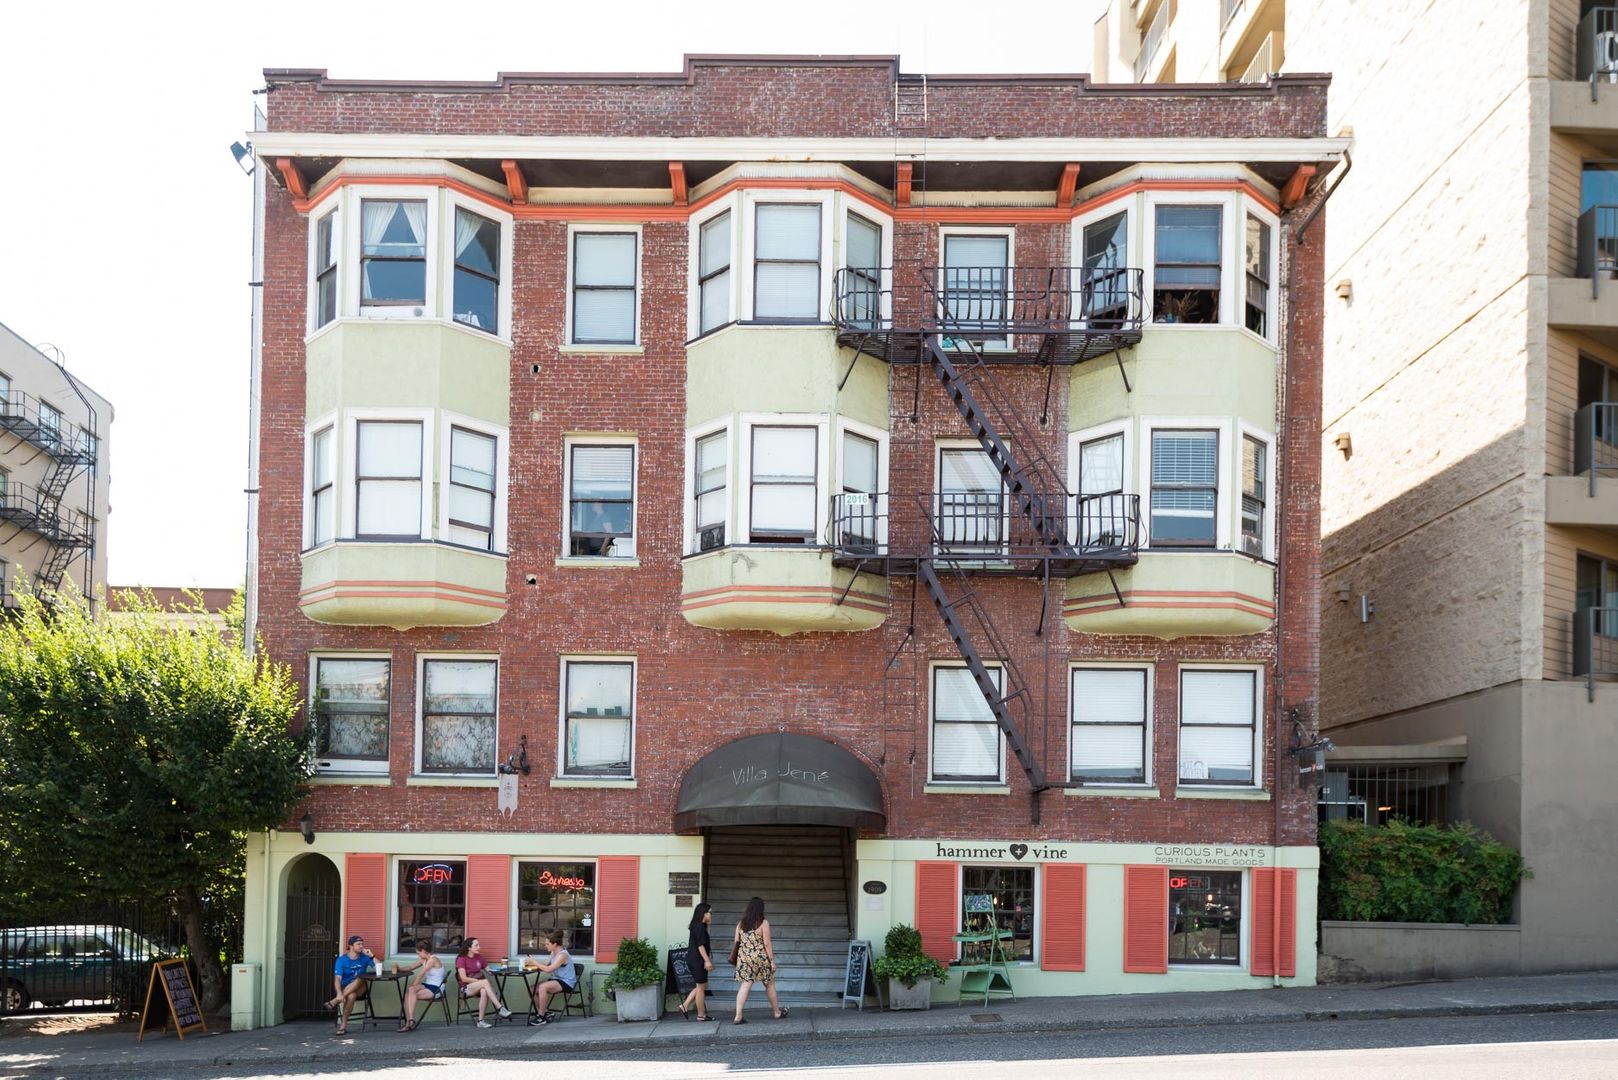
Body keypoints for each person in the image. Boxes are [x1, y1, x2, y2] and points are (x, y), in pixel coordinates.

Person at [731, 896, 788, 1024]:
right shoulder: (763, 923)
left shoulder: (741, 924)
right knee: (769, 984)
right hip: (760, 958)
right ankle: (777, 1012)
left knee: (745, 985)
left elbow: (736, 941)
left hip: (744, 959)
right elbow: (767, 943)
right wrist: (772, 961)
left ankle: (738, 1016)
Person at [454, 937, 513, 1027]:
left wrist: (502, 969)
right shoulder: (461, 959)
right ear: (469, 948)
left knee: (484, 990)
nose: (479, 947)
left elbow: (490, 972)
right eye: (476, 945)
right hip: (466, 988)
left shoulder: (479, 958)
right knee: (484, 982)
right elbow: (463, 978)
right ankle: (500, 1008)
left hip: (480, 986)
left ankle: (480, 1021)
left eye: (479, 945)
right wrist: (479, 981)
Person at [525, 929, 578, 1026]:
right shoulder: (553, 953)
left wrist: (534, 962)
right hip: (556, 979)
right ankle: (546, 1013)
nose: (545, 946)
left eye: (547, 944)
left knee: (543, 987)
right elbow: (546, 964)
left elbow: (548, 969)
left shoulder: (562, 955)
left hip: (566, 982)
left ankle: (541, 1017)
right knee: (532, 989)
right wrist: (530, 963)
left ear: (555, 944)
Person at [325, 934, 373, 1036]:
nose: (361, 946)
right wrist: (339, 993)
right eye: (358, 944)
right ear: (351, 946)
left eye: (362, 944)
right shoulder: (341, 960)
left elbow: (381, 969)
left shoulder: (365, 957)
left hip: (361, 987)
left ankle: (335, 1001)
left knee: (360, 977)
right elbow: (338, 978)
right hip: (346, 988)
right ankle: (343, 1025)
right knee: (351, 996)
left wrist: (371, 955)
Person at [394, 941, 447, 1032]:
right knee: (409, 994)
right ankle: (410, 1021)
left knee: (409, 994)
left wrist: (413, 987)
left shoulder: (433, 960)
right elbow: (410, 967)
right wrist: (399, 969)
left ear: (423, 951)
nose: (418, 955)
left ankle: (409, 1022)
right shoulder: (424, 960)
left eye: (418, 953)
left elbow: (420, 975)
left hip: (436, 989)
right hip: (428, 985)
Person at [679, 902, 714, 1021]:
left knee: (702, 985)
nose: (711, 914)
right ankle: (701, 1015)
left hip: (696, 959)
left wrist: (708, 925)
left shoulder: (699, 926)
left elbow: (704, 940)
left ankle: (685, 1006)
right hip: (697, 960)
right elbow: (700, 945)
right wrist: (707, 960)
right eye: (710, 912)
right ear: (704, 913)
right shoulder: (699, 926)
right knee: (700, 987)